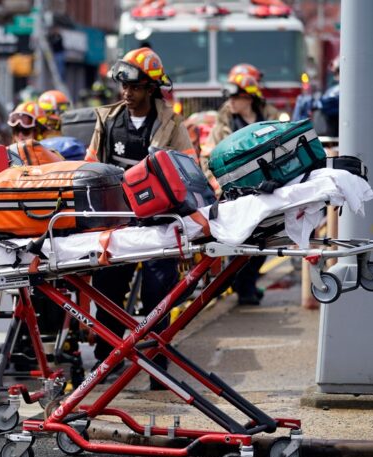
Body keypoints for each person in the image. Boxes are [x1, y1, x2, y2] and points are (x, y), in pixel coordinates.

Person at [86, 47, 195, 390]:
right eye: (123, 87)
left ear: (151, 88)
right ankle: (107, 360)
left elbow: (189, 171)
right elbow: (90, 167)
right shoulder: (107, 120)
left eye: (134, 87)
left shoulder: (171, 124)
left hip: (158, 224)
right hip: (118, 224)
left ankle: (156, 366)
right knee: (107, 292)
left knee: (157, 297)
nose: (126, 94)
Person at [203, 70, 270, 305]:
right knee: (238, 242)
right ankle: (242, 287)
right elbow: (208, 159)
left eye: (235, 97)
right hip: (234, 192)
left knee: (266, 240)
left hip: (267, 189)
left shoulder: (268, 119)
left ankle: (246, 285)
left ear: (249, 98)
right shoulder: (222, 126)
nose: (230, 102)